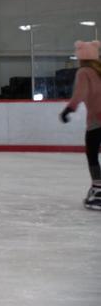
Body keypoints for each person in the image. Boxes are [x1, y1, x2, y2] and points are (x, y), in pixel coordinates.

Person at [59, 40, 101, 211]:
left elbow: (80, 93)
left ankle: (98, 191)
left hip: (97, 119)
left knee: (92, 153)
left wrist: (69, 109)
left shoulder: (84, 71)